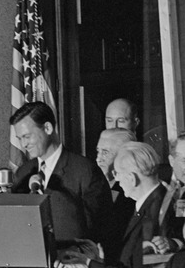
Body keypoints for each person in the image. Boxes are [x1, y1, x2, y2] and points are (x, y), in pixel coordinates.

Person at [10, 101, 111, 243]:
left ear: (47, 128)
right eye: (19, 139)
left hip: (72, 261)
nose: (23, 145)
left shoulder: (85, 171)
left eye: (27, 136)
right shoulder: (23, 172)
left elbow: (101, 228)